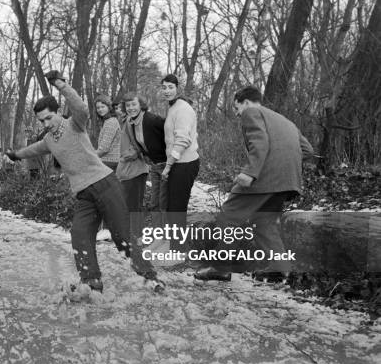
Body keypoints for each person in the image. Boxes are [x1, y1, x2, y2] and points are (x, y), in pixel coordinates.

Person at [5, 71, 165, 293]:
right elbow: (34, 149)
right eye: (42, 121)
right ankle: (91, 281)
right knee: (79, 234)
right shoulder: (49, 140)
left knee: (121, 236)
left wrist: (61, 85)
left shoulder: (74, 124)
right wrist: (15, 154)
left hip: (105, 184)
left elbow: (81, 107)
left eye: (49, 118)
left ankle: (151, 277)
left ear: (58, 112)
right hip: (84, 194)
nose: (46, 123)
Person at [194, 86, 314, 282]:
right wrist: (284, 165)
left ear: (246, 102)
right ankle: (281, 268)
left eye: (236, 107)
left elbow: (260, 142)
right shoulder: (286, 121)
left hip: (264, 179)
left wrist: (250, 172)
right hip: (288, 182)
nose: (237, 112)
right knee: (263, 223)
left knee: (228, 217)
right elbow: (307, 150)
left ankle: (221, 268)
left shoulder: (251, 112)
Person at [160, 74, 200, 249]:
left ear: (178, 88)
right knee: (173, 207)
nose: (167, 90)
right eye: (164, 87)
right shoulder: (174, 107)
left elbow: (183, 140)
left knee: (177, 208)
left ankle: (178, 250)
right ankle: (176, 247)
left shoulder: (183, 109)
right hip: (178, 163)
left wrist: (168, 165)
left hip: (184, 164)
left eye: (170, 87)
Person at [122, 92, 167, 212]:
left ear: (141, 105)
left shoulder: (151, 119)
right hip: (153, 165)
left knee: (164, 202)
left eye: (133, 104)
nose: (130, 108)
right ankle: (157, 228)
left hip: (166, 165)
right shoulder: (132, 122)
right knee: (154, 202)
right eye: (127, 105)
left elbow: (170, 129)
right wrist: (138, 153)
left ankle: (167, 229)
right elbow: (141, 143)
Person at [94, 95, 121, 172]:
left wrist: (90, 156)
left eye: (103, 107)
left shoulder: (111, 122)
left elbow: (104, 149)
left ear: (109, 107)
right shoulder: (106, 121)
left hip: (110, 162)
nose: (100, 109)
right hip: (107, 161)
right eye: (98, 108)